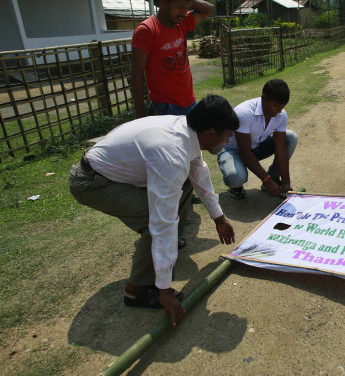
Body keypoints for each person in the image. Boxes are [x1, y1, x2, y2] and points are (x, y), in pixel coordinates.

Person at [69, 95, 239, 328]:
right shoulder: (172, 154)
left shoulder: (188, 130)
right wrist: (165, 290)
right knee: (155, 220)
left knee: (187, 182)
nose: (227, 140)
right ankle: (137, 289)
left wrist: (219, 217)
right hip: (92, 183)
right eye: (227, 135)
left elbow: (199, 172)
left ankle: (167, 250)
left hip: (113, 171)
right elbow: (163, 221)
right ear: (210, 133)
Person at [131, 0, 215, 119]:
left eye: (187, 8)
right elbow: (137, 75)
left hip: (189, 102)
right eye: (180, 7)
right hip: (166, 107)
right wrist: (140, 112)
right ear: (163, 2)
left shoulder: (181, 23)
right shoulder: (147, 30)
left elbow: (209, 9)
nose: (184, 12)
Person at [217, 79, 298, 199]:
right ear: (264, 98)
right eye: (276, 106)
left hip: (256, 147)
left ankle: (274, 176)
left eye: (282, 107)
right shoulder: (244, 113)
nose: (280, 111)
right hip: (234, 150)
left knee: (291, 137)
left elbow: (281, 149)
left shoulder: (280, 114)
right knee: (236, 177)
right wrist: (266, 180)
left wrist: (286, 182)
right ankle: (236, 187)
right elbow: (245, 152)